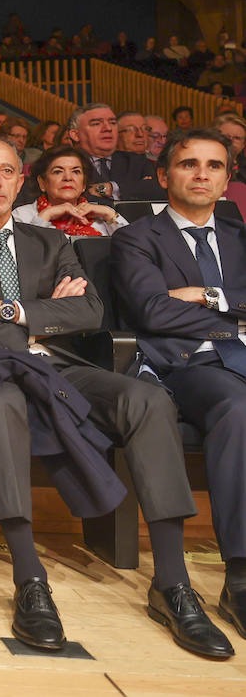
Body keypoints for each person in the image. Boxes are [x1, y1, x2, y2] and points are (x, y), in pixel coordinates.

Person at [0, 136, 220, 655]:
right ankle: (30, 579)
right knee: (1, 404)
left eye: (6, 171)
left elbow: (89, 314)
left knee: (147, 400)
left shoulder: (51, 243)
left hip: (60, 366)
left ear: (20, 181)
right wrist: (40, 316)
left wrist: (6, 309)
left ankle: (172, 582)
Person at [113, 128, 246, 645]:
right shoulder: (137, 238)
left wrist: (207, 296)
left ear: (227, 178)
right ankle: (238, 574)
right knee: (237, 407)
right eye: (189, 164)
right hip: (188, 366)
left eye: (214, 166)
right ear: (165, 175)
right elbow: (152, 310)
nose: (201, 174)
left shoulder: (240, 236)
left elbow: (180, 306)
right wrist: (231, 319)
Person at [13, 146, 127, 237]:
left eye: (76, 172)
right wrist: (46, 216)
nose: (68, 177)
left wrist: (109, 213)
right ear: (42, 183)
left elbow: (133, 249)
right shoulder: (21, 216)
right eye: (58, 172)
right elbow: (25, 255)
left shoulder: (101, 216)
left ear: (84, 184)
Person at [62, 103, 161, 202]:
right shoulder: (63, 164)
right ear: (75, 135)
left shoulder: (137, 161)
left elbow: (158, 189)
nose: (108, 128)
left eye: (113, 123)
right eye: (96, 124)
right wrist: (134, 188)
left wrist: (110, 188)